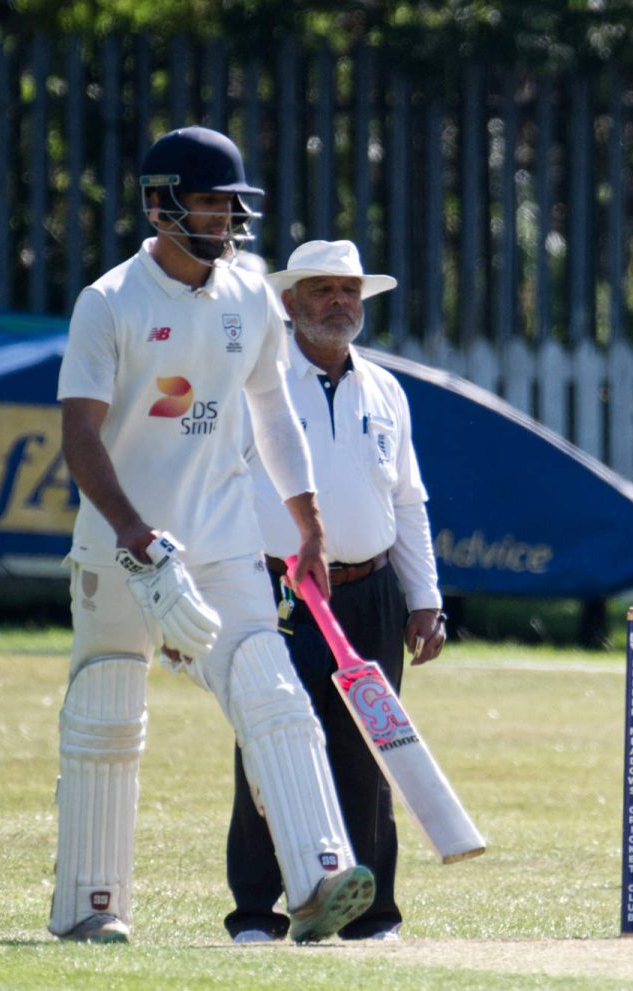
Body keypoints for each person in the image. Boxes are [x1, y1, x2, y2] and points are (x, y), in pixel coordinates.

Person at [50, 126, 375, 944]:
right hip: (120, 551)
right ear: (161, 205)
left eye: (232, 203)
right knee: (107, 711)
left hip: (225, 541)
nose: (226, 218)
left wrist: (307, 523)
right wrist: (133, 532)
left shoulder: (249, 294)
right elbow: (80, 434)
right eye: (209, 201)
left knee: (271, 688)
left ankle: (318, 878)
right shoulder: (109, 301)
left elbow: (272, 411)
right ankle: (92, 905)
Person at [224, 239, 448, 944]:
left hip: (369, 589)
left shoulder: (384, 388)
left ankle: (372, 914)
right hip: (280, 589)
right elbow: (221, 488)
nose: (339, 303)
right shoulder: (258, 383)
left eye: (349, 290)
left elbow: (407, 500)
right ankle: (256, 912)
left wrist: (425, 598)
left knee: (370, 751)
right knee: (270, 742)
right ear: (289, 302)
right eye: (322, 290)